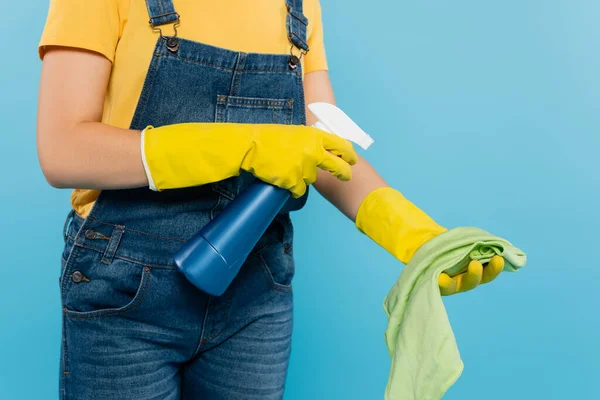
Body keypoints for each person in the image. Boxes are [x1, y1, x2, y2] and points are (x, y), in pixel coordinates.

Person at [36, 0, 505, 398]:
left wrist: (413, 236)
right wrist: (244, 146)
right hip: (126, 294)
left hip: (256, 291)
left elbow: (324, 143)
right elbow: (63, 149)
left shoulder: (296, 5)